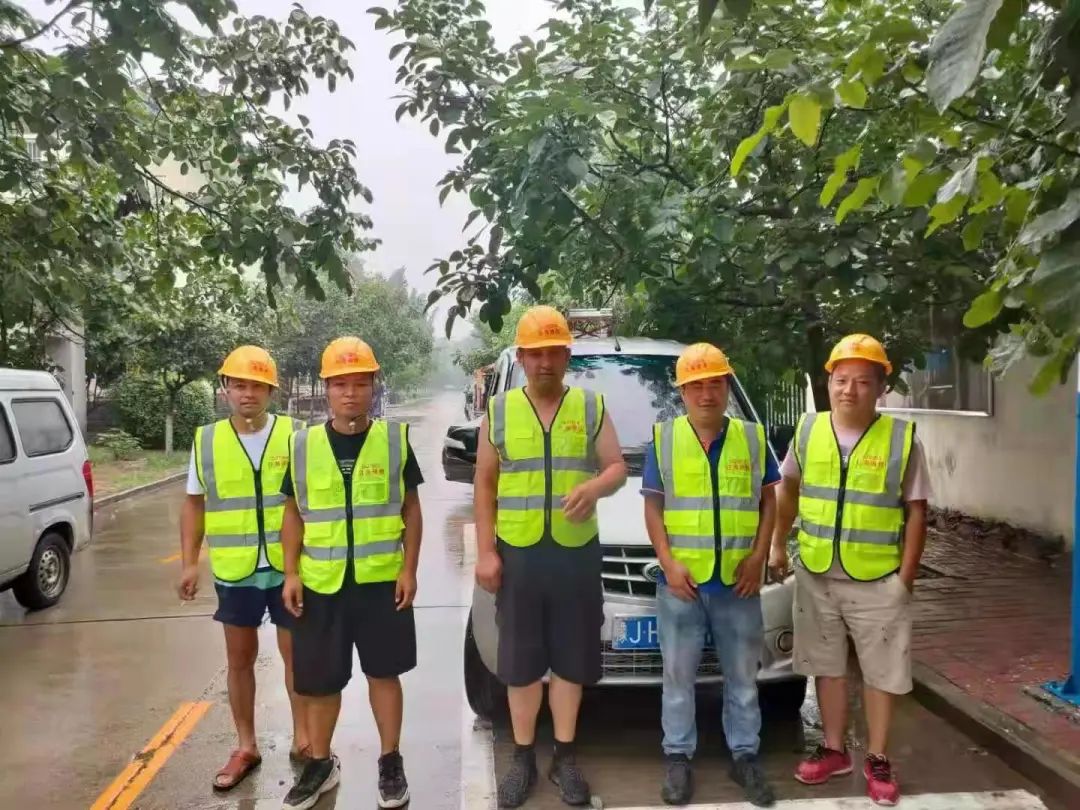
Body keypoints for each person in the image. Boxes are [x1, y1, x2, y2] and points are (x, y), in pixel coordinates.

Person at [474, 305, 628, 808]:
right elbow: (484, 483)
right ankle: (522, 758)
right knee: (520, 663)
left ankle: (564, 756)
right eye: (535, 353)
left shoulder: (589, 406)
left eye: (554, 353)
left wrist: (595, 486)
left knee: (570, 659)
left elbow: (617, 467)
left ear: (567, 356)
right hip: (518, 555)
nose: (545, 362)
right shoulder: (499, 411)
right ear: (521, 357)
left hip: (575, 554)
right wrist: (486, 551)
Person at [769, 334, 931, 807]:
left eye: (862, 381)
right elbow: (788, 488)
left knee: (882, 671)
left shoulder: (901, 439)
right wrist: (779, 544)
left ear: (880, 387)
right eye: (842, 380)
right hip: (817, 572)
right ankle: (834, 749)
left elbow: (917, 511)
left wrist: (905, 579)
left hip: (878, 578)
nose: (850, 390)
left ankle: (877, 757)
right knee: (826, 666)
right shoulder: (808, 430)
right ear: (829, 383)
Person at [279, 336, 424, 810]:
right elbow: (293, 514)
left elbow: (411, 509)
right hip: (321, 585)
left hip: (382, 583)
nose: (350, 393)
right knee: (320, 681)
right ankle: (320, 764)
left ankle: (390, 762)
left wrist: (409, 569)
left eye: (360, 383)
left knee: (384, 674)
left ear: (373, 386)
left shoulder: (394, 441)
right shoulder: (303, 445)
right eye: (341, 383)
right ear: (326, 388)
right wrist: (291, 573)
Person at [641, 343, 779, 807]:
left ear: (727, 388)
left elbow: (769, 501)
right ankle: (678, 758)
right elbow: (653, 507)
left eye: (715, 384)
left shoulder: (752, 438)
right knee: (678, 678)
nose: (706, 394)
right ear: (682, 392)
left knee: (743, 678)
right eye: (696, 385)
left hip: (739, 583)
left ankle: (745, 756)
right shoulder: (664, 439)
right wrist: (668, 562)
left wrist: (759, 555)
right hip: (682, 585)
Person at [178, 345, 310, 791]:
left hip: (289, 568)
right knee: (239, 660)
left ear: (272, 391)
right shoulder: (206, 440)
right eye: (238, 385)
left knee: (297, 657)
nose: (247, 393)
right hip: (236, 571)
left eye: (257, 385)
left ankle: (304, 740)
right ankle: (246, 745)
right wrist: (188, 563)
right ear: (225, 389)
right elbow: (194, 504)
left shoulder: (296, 434)